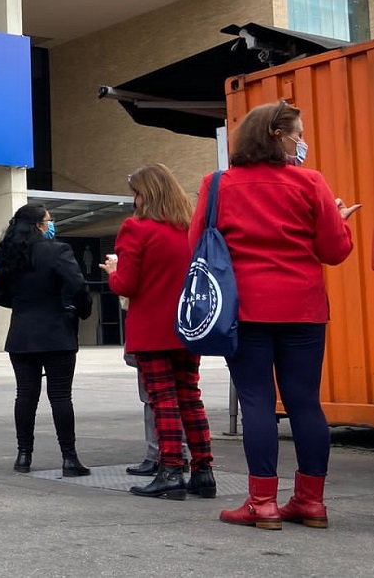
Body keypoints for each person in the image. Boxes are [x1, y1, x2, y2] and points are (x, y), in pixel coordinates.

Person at [193, 101, 357, 529]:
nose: (302, 141)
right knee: (305, 402)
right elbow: (335, 252)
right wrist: (340, 222)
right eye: (297, 134)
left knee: (257, 402)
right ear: (276, 135)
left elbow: (197, 244)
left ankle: (262, 503)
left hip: (243, 309)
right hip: (302, 309)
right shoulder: (311, 183)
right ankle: (310, 502)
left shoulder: (216, 185)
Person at [103, 164, 215, 501]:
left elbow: (127, 283)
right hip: (186, 326)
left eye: (135, 193)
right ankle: (203, 470)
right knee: (190, 397)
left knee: (162, 400)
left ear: (143, 195)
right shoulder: (187, 229)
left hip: (151, 329)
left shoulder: (136, 229)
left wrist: (112, 272)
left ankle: (170, 470)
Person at [0, 203, 92, 475]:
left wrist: (22, 306)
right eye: (49, 220)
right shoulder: (58, 251)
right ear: (38, 225)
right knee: (60, 396)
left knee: (25, 395)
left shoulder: (9, 255)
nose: (51, 224)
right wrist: (77, 309)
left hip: (22, 334)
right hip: (57, 332)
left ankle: (24, 456)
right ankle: (69, 458)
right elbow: (78, 285)